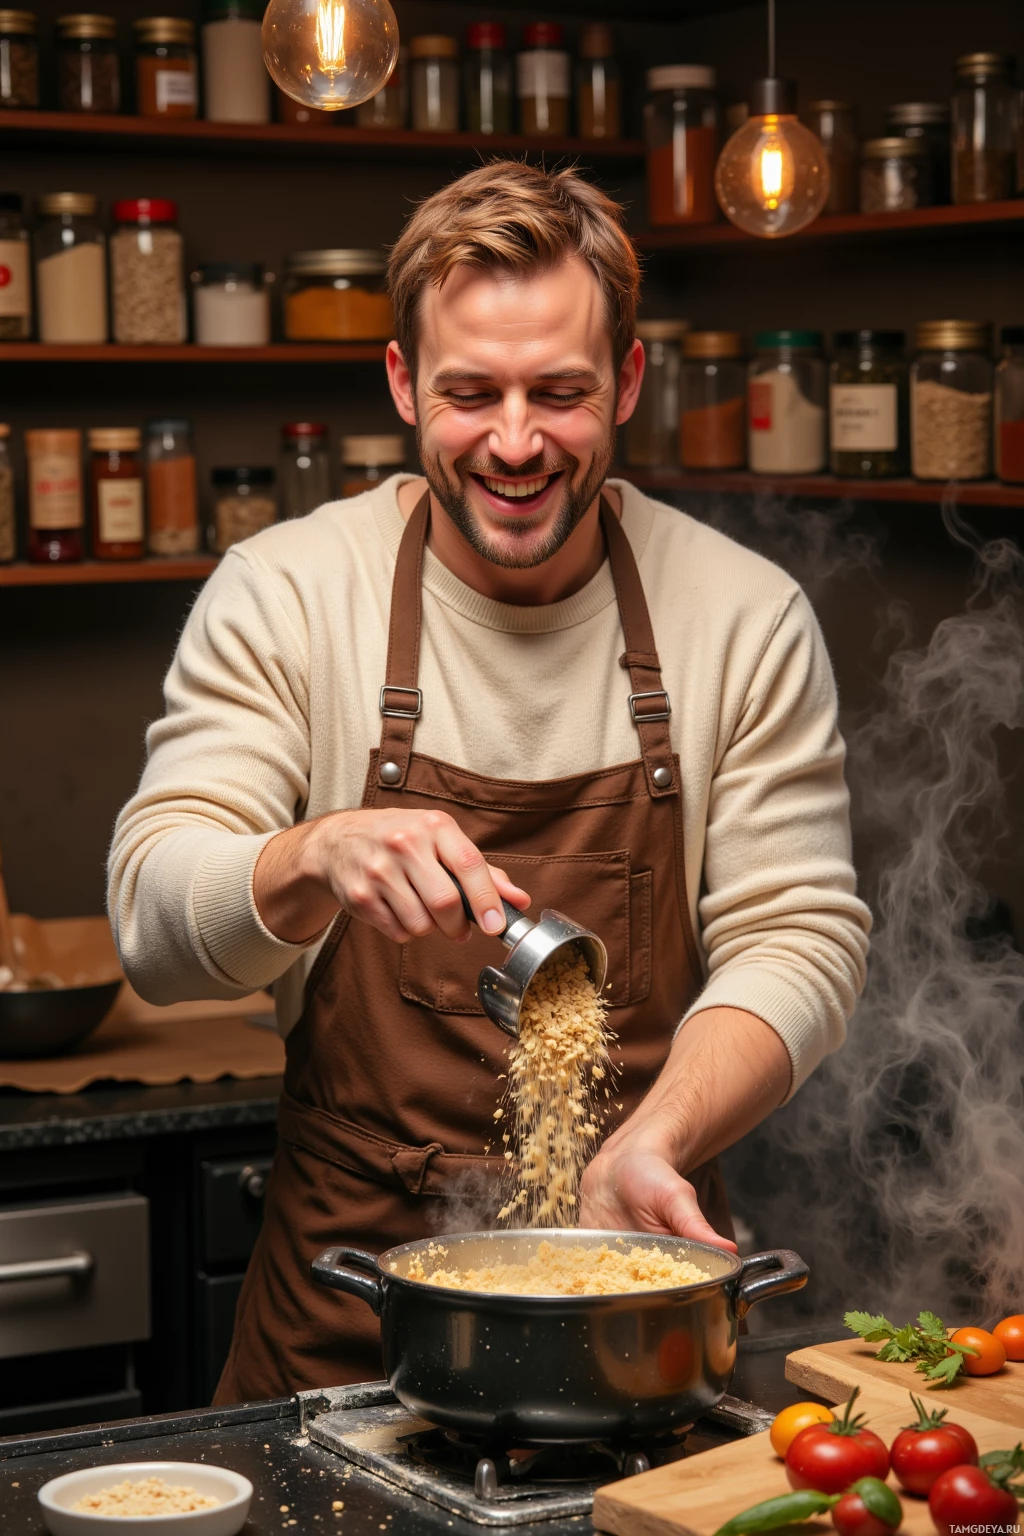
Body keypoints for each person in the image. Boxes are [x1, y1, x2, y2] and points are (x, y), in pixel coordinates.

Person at [108, 161, 870, 1404]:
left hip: (635, 1315)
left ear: (625, 382)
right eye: (470, 393)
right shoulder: (291, 592)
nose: (514, 444)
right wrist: (311, 856)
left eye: (559, 393)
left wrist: (653, 1138)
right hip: (346, 1324)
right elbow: (152, 926)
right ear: (405, 382)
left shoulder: (740, 613)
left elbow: (800, 937)